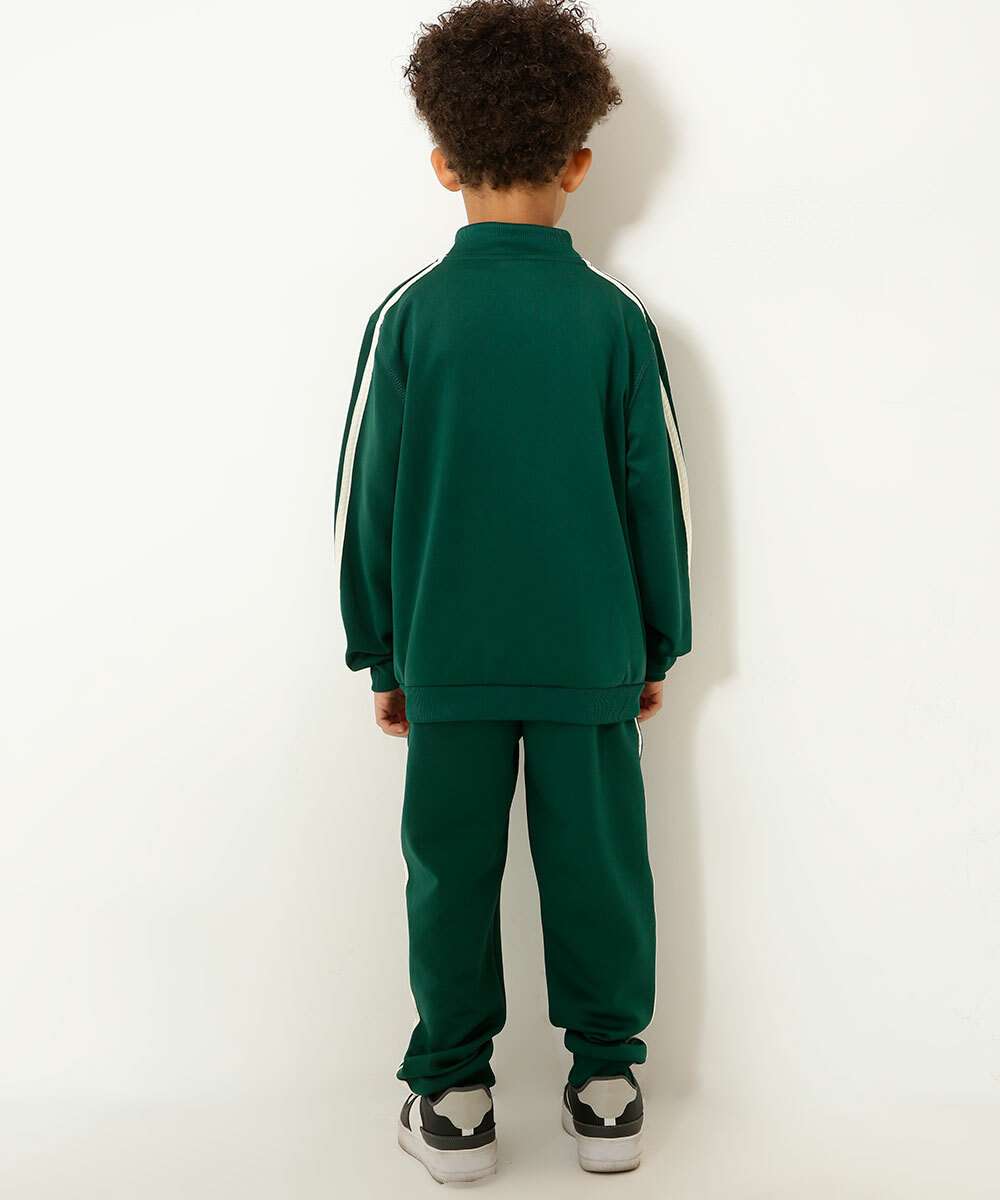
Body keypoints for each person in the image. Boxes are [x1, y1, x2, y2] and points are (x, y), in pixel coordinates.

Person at [334, 0, 691, 1181]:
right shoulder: (615, 322)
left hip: (446, 657)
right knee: (598, 868)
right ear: (578, 162)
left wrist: (381, 652)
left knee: (448, 871)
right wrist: (653, 643)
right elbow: (656, 496)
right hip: (591, 654)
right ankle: (606, 1086)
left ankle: (453, 1097)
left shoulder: (408, 319)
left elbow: (367, 500)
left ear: (442, 161)